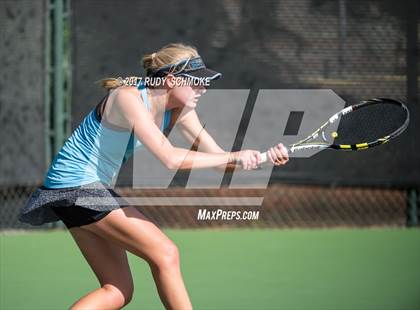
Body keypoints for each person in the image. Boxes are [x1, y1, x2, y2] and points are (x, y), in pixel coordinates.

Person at [19, 43, 289, 310]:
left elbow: (219, 160)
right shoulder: (127, 97)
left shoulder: (181, 112)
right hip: (77, 185)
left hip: (72, 189)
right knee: (166, 253)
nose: (203, 88)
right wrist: (233, 156)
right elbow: (170, 158)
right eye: (196, 82)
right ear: (171, 80)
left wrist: (264, 157)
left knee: (117, 290)